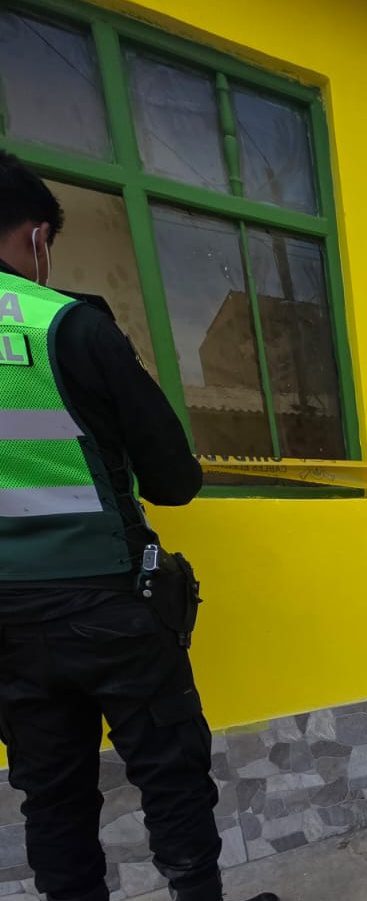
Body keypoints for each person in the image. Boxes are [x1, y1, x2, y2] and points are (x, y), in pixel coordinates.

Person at [0, 152, 275, 900]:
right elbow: (175, 481)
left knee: (51, 793)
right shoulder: (66, 326)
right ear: (35, 236)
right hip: (107, 604)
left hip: (8, 626)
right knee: (168, 769)